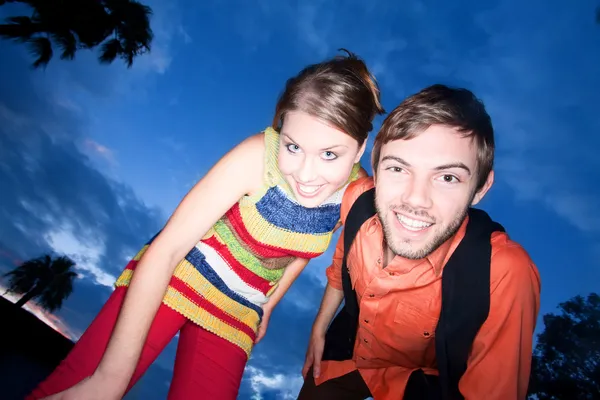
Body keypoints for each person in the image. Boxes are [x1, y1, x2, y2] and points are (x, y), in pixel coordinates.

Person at [27, 49, 385, 400]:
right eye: (293, 147)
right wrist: (109, 380)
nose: (306, 175)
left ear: (359, 149)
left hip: (240, 306)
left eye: (329, 154)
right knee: (79, 387)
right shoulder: (257, 157)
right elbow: (167, 250)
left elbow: (303, 250)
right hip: (175, 276)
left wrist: (270, 304)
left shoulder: (354, 195)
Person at [299, 84, 542, 400]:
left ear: (480, 187)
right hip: (345, 354)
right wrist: (319, 328)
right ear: (376, 165)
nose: (416, 199)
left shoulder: (504, 273)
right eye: (398, 168)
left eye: (447, 178)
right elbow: (338, 269)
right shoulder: (357, 200)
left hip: (425, 384)